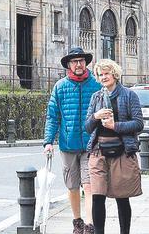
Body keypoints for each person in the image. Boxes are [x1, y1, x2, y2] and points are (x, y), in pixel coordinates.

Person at [44, 46, 102, 234]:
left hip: (90, 144)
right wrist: (48, 142)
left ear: (86, 63)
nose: (78, 64)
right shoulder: (60, 87)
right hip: (67, 145)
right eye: (74, 61)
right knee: (72, 186)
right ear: (69, 64)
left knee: (89, 184)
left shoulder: (95, 85)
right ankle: (77, 222)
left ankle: (90, 225)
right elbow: (53, 116)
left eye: (81, 61)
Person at [85, 59, 143, 234]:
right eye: (100, 75)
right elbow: (87, 127)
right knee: (97, 197)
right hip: (98, 151)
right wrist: (96, 116)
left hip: (122, 151)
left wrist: (115, 126)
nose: (103, 77)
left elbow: (139, 124)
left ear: (114, 74)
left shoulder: (129, 95)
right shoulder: (96, 97)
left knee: (122, 197)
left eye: (106, 74)